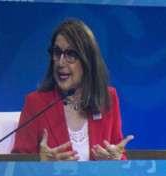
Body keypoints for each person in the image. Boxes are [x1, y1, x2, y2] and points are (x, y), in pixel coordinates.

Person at [11, 19, 133, 161]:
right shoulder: (36, 103)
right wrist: (42, 163)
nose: (61, 62)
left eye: (70, 54)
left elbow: (117, 153)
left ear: (88, 60)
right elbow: (17, 165)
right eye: (57, 52)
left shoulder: (108, 98)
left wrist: (117, 159)